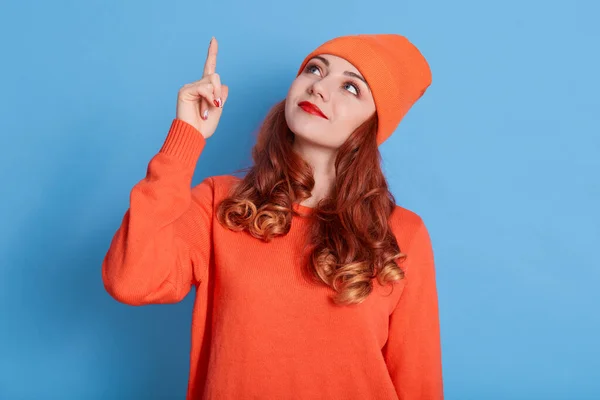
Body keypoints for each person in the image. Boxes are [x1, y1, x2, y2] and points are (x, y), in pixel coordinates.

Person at [102, 33, 443, 399]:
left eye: (350, 87)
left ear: (373, 125)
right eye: (315, 69)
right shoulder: (221, 202)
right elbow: (130, 279)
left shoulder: (401, 234)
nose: (319, 88)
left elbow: (418, 382)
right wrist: (187, 138)